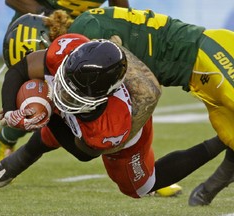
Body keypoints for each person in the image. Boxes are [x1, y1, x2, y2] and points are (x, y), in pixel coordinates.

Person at [0, 33, 225, 199]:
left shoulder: (113, 126)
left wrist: (50, 115)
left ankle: (221, 141)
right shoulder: (69, 50)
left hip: (129, 124)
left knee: (139, 187)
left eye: (72, 93)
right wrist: (9, 112)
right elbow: (20, 69)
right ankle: (23, 158)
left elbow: (83, 152)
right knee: (59, 105)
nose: (61, 95)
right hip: (97, 96)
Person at [40, 6, 234, 205]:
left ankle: (208, 189)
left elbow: (149, 93)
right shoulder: (81, 36)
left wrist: (116, 140)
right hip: (199, 72)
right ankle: (207, 191)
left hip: (210, 55)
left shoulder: (85, 41)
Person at [0, 0, 129, 164]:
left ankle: (142, 167)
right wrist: (50, 17)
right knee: (35, 96)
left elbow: (121, 12)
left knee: (90, 94)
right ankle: (6, 136)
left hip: (83, 36)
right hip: (39, 29)